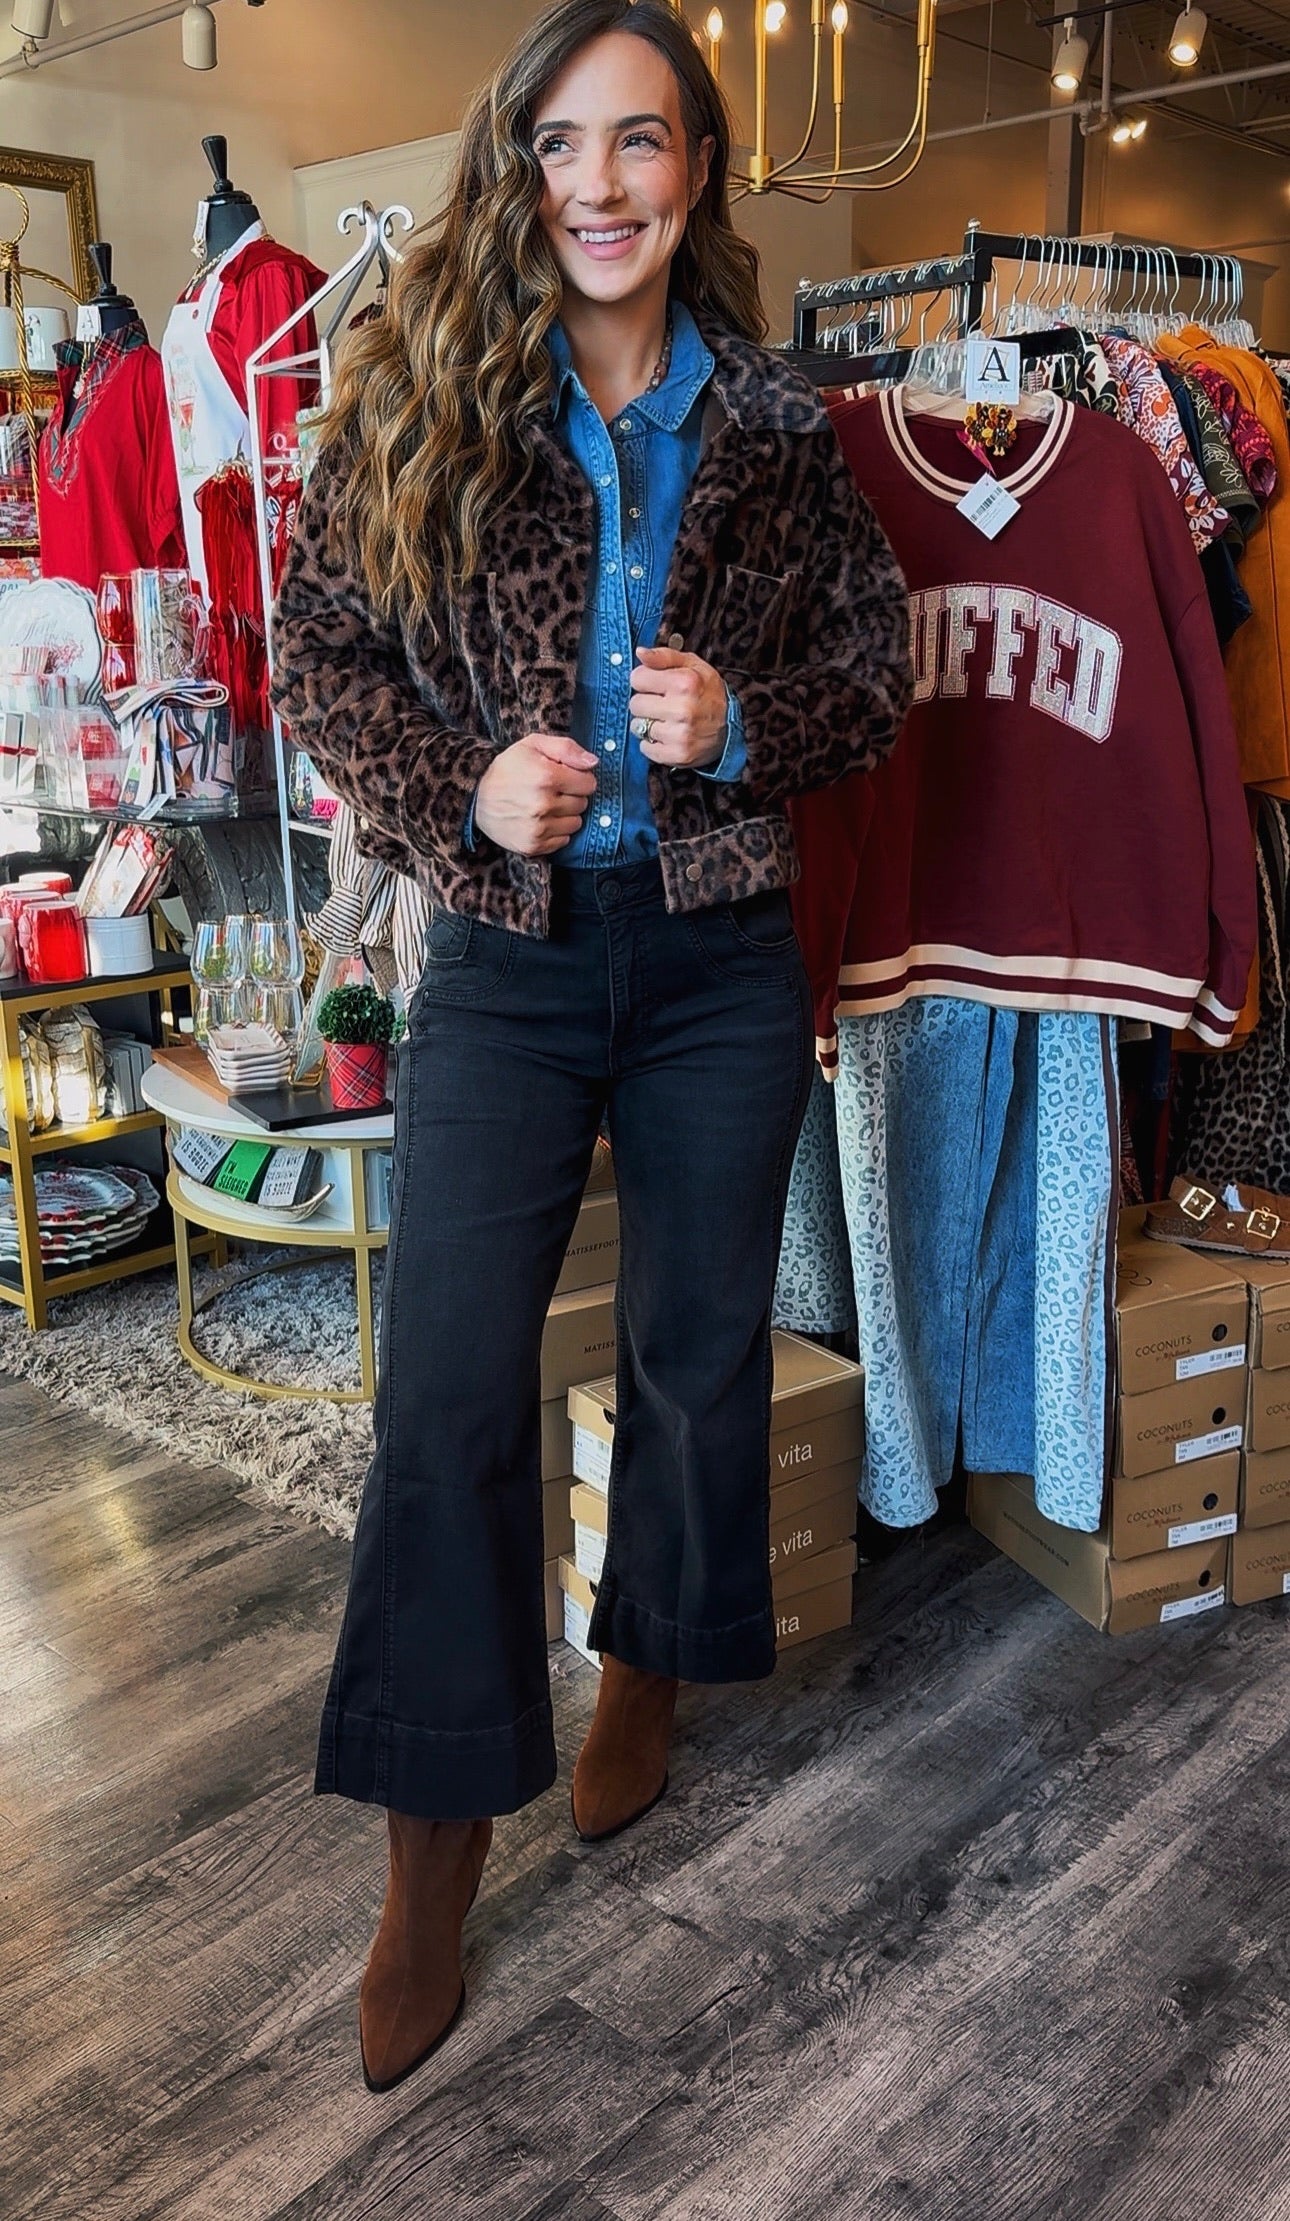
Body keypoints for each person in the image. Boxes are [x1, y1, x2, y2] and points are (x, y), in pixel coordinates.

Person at [271, 0, 910, 2095]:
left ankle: (647, 1661)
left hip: (717, 953)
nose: (601, 184)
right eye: (562, 142)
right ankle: (431, 1845)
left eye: (640, 140)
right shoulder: (431, 386)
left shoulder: (779, 420)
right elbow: (314, 649)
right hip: (509, 955)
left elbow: (875, 665)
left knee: (698, 1350)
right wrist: (461, 787)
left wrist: (741, 725)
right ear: (518, 165)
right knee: (447, 1390)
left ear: (697, 166)